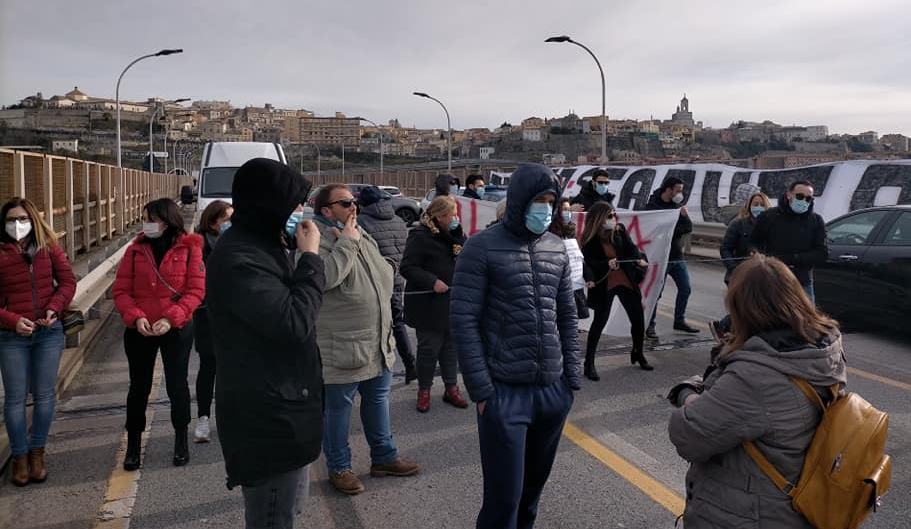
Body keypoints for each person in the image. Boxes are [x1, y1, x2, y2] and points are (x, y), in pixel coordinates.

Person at [667, 254, 846, 528]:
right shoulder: (823, 348)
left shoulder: (756, 375)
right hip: (797, 502)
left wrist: (688, 394)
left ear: (743, 309)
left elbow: (689, 435)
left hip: (751, 513)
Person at [451, 163, 581, 529]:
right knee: (502, 502)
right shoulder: (480, 248)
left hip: (552, 392)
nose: (545, 207)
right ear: (520, 199)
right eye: (539, 199)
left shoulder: (557, 248)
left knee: (530, 499)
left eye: (551, 201)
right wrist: (483, 391)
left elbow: (568, 317)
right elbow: (463, 320)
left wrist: (570, 381)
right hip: (504, 394)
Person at [206, 158, 325, 529]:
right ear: (268, 206)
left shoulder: (263, 243)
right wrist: (309, 258)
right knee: (273, 518)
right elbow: (292, 322)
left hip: (284, 405)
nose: (300, 212)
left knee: (285, 511)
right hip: (268, 421)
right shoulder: (240, 256)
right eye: (293, 205)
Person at [312, 183, 420, 496]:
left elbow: (382, 271)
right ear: (326, 210)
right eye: (345, 202)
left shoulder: (360, 231)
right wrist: (346, 243)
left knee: (378, 399)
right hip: (342, 343)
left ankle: (384, 457)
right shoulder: (316, 239)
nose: (353, 206)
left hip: (376, 338)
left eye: (354, 201)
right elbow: (325, 278)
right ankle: (339, 467)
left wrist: (386, 269)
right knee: (338, 409)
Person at [113, 198, 205, 470]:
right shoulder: (135, 251)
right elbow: (121, 291)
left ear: (166, 220)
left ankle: (180, 441)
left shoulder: (190, 249)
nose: (147, 224)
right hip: (139, 328)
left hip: (175, 328)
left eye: (150, 218)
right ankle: (133, 445)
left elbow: (196, 291)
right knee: (138, 388)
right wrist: (135, 316)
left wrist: (171, 317)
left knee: (177, 385)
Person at [0, 197, 76, 486]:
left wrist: (54, 308)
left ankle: (37, 453)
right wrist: (12, 320)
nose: (17, 225)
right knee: (15, 399)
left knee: (45, 396)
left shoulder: (48, 248)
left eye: (22, 219)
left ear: (33, 220)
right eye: (10, 220)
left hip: (47, 333)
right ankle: (19, 457)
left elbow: (68, 281)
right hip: (11, 336)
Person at [400, 196, 469, 413]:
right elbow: (407, 267)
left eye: (456, 214)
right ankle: (424, 390)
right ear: (438, 217)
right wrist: (432, 281)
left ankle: (451, 387)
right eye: (451, 215)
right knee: (429, 349)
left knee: (450, 348)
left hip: (452, 301)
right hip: (428, 304)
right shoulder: (420, 236)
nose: (455, 218)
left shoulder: (457, 235)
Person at [580, 202, 652, 375]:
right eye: (610, 216)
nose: (614, 219)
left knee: (638, 320)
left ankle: (638, 353)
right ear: (599, 218)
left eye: (614, 215)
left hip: (625, 280)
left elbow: (632, 250)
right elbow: (589, 263)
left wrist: (636, 259)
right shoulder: (589, 238)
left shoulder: (619, 230)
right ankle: (589, 364)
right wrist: (606, 264)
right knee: (599, 323)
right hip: (605, 285)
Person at [357, 185, 417, 384]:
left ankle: (376, 369)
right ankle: (410, 365)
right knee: (398, 323)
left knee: (374, 324)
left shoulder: (360, 222)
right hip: (397, 278)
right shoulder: (398, 220)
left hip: (374, 282)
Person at [191, 199, 233, 443]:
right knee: (209, 366)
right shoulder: (198, 244)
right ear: (213, 220)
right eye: (226, 219)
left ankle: (229, 419)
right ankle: (203, 418)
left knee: (232, 369)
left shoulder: (238, 243)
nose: (230, 223)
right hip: (206, 313)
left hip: (233, 315)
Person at [751, 180, 828, 304]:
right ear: (789, 195)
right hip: (772, 279)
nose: (803, 201)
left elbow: (822, 253)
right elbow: (754, 242)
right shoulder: (769, 216)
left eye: (808, 199)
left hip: (802, 281)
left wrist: (794, 258)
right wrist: (758, 256)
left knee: (807, 320)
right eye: (800, 196)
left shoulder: (816, 221)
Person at [710, 191, 771, 341]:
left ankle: (737, 333)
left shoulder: (771, 226)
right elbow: (725, 248)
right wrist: (734, 268)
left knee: (755, 307)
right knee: (746, 306)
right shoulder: (738, 224)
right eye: (755, 204)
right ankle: (725, 327)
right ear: (749, 206)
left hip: (763, 274)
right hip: (739, 273)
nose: (758, 207)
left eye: (761, 204)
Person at [645, 176, 698, 337]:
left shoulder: (677, 207)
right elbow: (653, 230)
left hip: (676, 256)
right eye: (678, 190)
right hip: (660, 257)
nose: (680, 194)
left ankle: (679, 320)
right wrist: (673, 228)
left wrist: (679, 220)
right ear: (668, 189)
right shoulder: (652, 207)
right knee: (657, 292)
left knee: (685, 288)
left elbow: (688, 227)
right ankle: (650, 325)